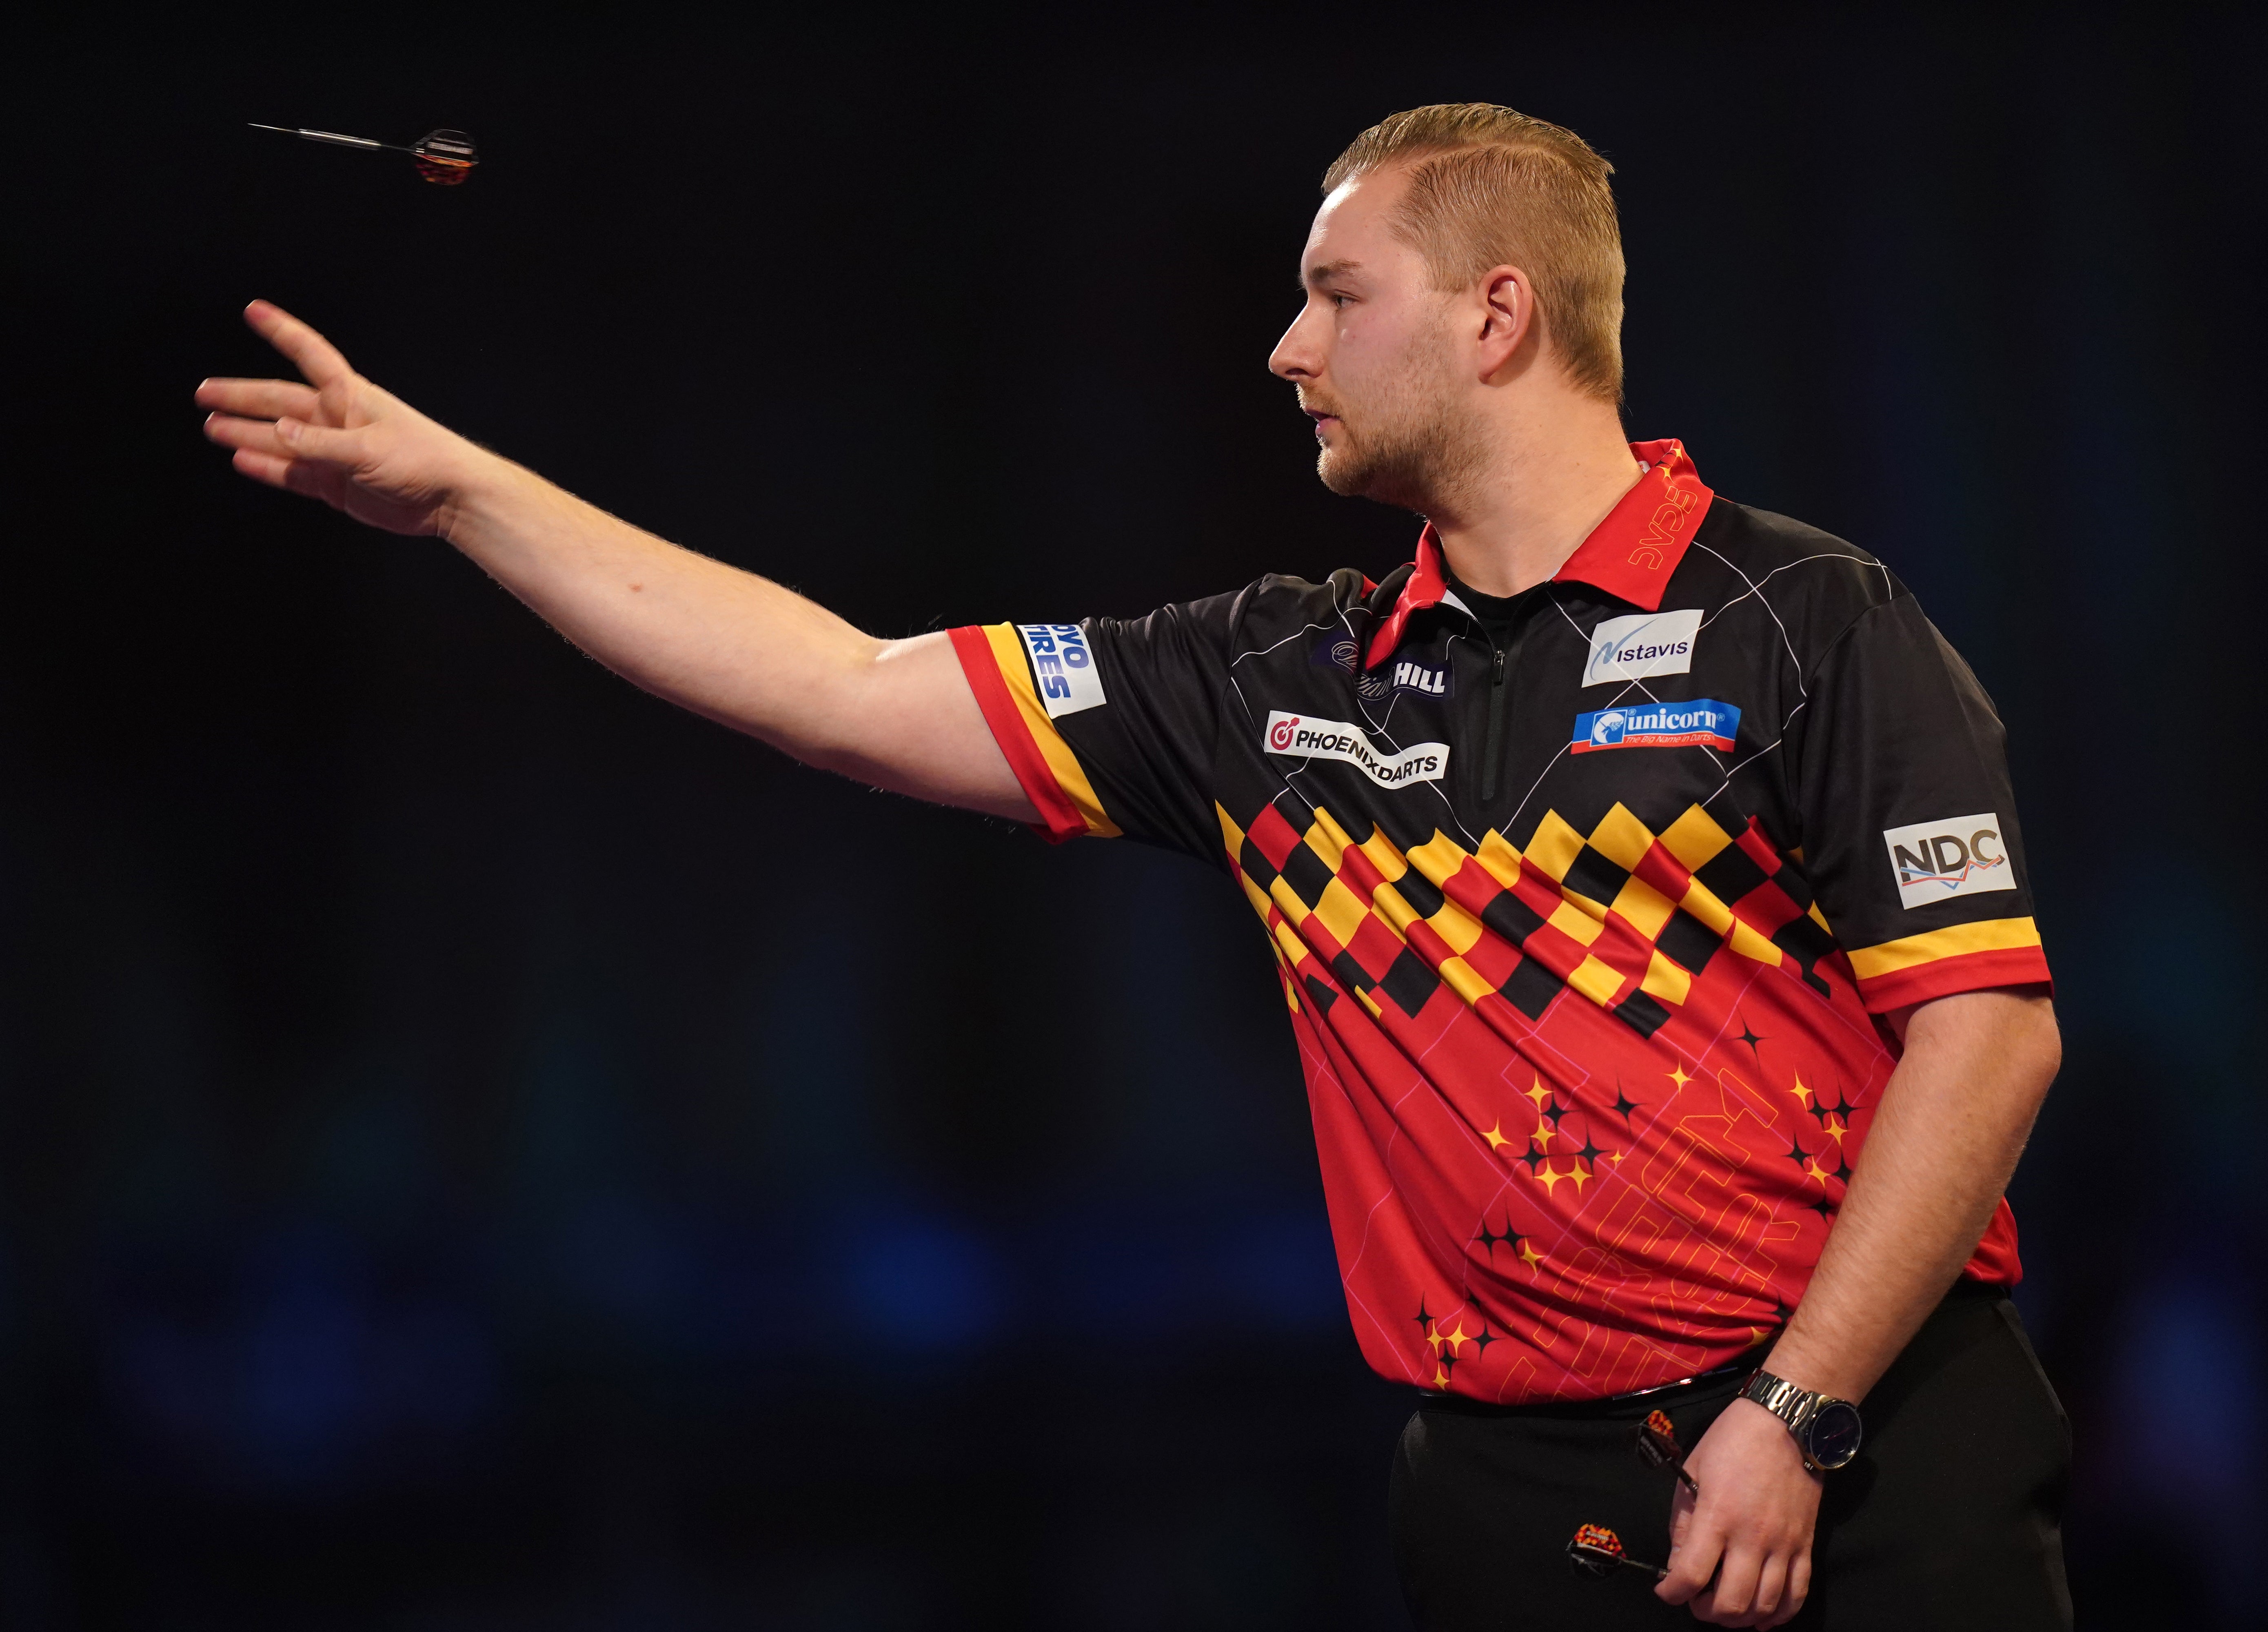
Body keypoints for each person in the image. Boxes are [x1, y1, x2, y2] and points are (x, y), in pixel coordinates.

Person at [196, 103, 2069, 1631]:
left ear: (1497, 316)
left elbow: (1986, 1038)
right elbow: (843, 682)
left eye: (1336, 295)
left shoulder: (1802, 615)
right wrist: (463, 498)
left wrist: (1796, 1413)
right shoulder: (1269, 680)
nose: (1285, 347)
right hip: (1504, 1490)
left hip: (1866, 1439)